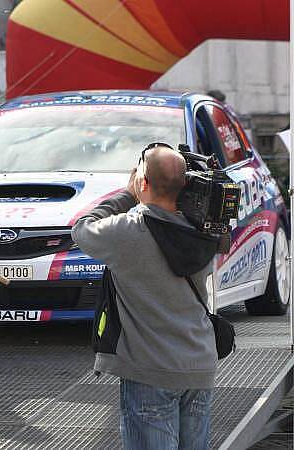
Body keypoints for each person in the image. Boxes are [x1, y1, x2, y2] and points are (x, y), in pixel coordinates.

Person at [71, 143, 218, 450]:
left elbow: (82, 229)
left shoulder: (129, 231)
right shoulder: (204, 229)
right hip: (199, 365)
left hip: (150, 370)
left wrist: (127, 194)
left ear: (143, 182)